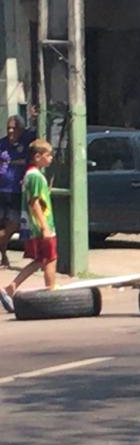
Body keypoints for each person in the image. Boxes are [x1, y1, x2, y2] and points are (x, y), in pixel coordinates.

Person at [0, 140, 58, 312]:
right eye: (48, 155)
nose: (51, 158)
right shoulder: (35, 176)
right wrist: (44, 227)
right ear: (37, 156)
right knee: (50, 258)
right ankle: (51, 290)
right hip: (42, 226)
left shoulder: (30, 175)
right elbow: (34, 203)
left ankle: (11, 288)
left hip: (38, 225)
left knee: (41, 259)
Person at [0, 116, 35, 268]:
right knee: (2, 225)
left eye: (14, 128)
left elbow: (36, 131)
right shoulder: (2, 144)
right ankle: (4, 257)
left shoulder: (26, 142)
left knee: (14, 223)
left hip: (16, 191)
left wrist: (34, 116)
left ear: (21, 130)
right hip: (2, 191)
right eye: (8, 128)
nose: (10, 131)